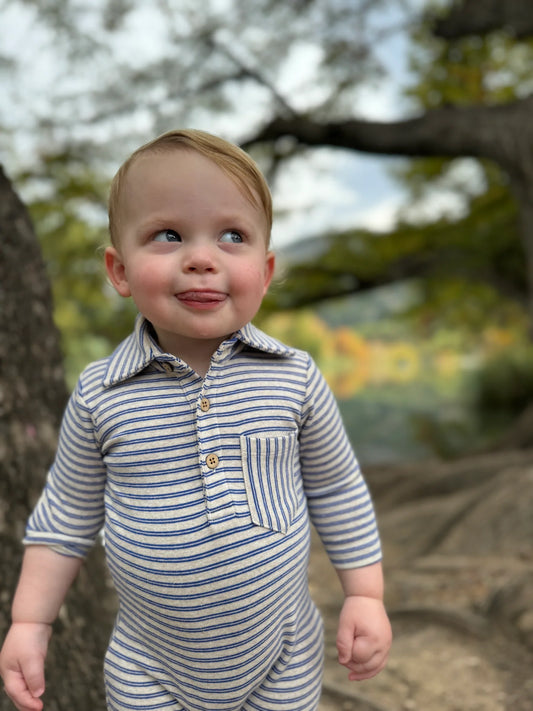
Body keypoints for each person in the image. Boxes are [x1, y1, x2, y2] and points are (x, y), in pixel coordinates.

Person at [0, 129, 392, 711]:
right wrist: (31, 622)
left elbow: (336, 487)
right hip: (148, 664)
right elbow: (66, 516)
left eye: (232, 236)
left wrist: (365, 594)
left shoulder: (294, 377)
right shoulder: (101, 393)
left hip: (281, 654)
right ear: (120, 270)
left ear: (264, 269)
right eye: (168, 235)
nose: (202, 258)